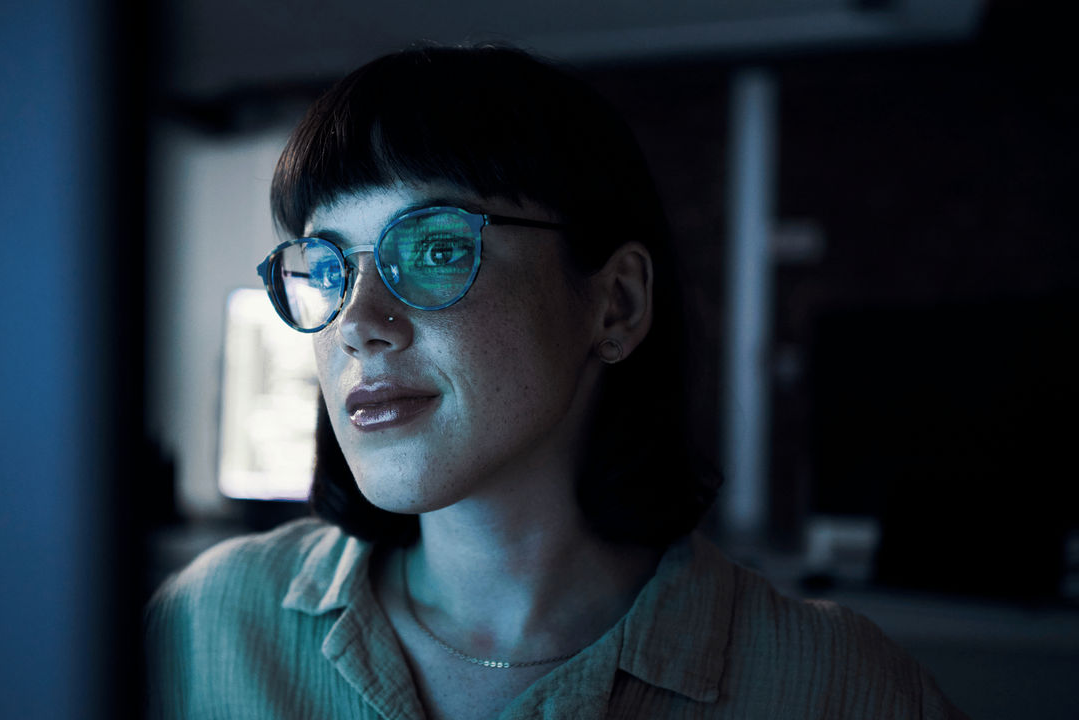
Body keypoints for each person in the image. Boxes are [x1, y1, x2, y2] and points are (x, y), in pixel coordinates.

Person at [146, 45, 966, 719]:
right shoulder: (207, 631)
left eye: (435, 248)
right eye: (324, 267)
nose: (358, 322)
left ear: (615, 304)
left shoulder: (834, 691)